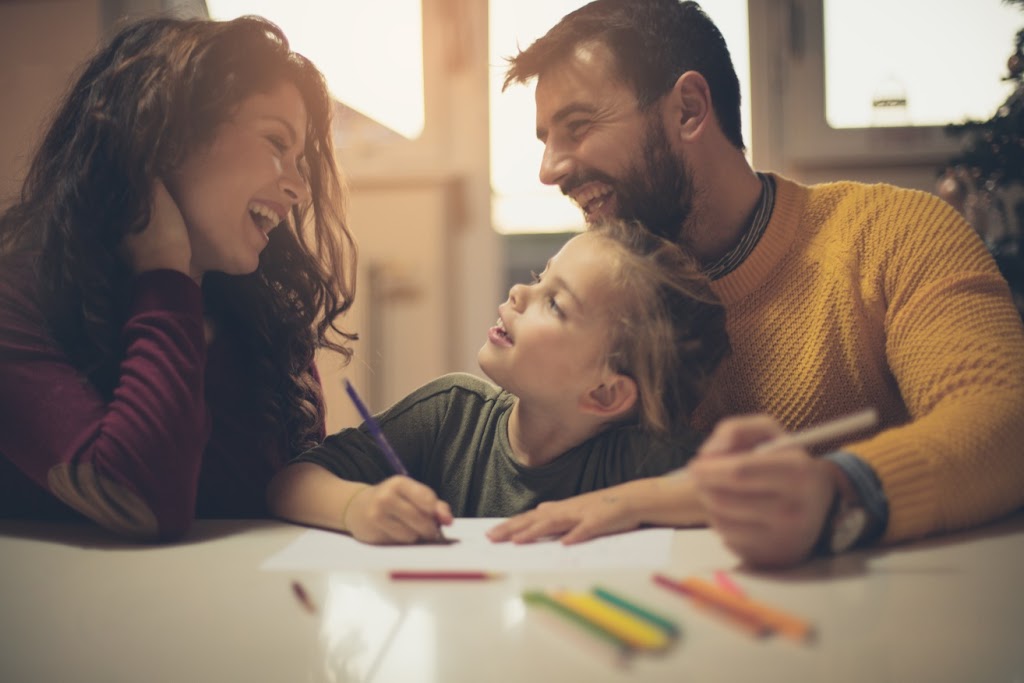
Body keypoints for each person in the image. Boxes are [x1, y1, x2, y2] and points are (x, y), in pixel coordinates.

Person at [487, 0, 1024, 567]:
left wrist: (837, 492)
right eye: (547, 138)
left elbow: (1007, 423)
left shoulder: (893, 236)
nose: (550, 170)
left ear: (689, 110)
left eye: (577, 127)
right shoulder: (588, 299)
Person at [0, 16, 357, 541]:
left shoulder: (267, 325)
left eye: (300, 159)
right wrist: (168, 276)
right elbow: (141, 501)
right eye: (275, 143)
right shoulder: (17, 304)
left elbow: (293, 501)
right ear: (165, 138)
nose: (299, 188)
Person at [267, 218, 727, 544]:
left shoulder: (631, 459)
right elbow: (290, 483)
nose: (519, 292)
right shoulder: (449, 415)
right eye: (538, 277)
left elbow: (766, 488)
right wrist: (359, 508)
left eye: (556, 304)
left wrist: (628, 503)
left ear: (605, 393)